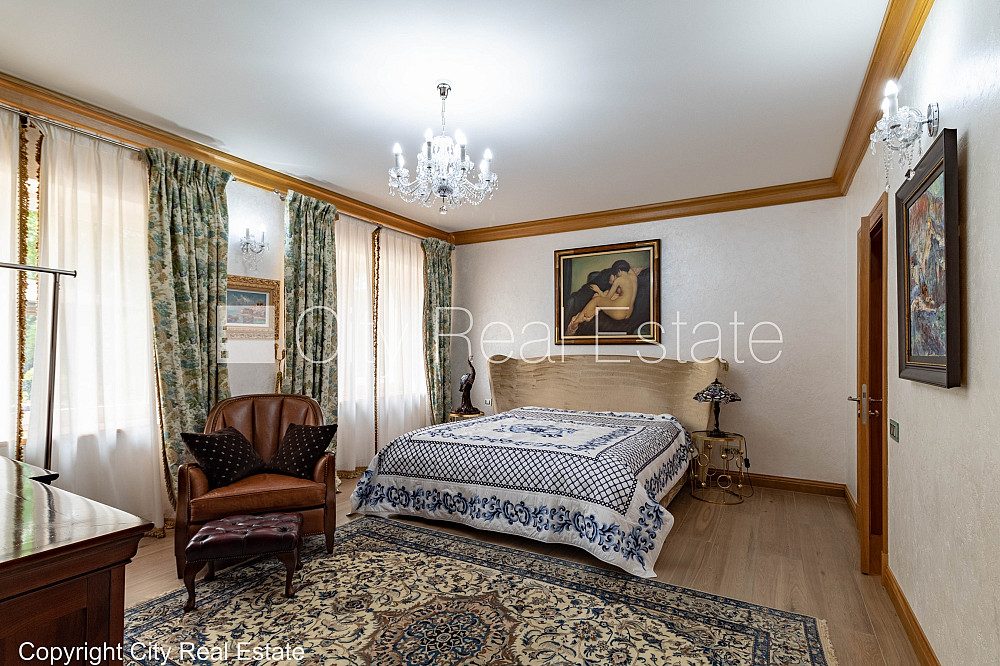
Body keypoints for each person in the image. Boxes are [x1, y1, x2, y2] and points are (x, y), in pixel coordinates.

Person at [566, 260, 639, 335]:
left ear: (619, 271)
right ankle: (586, 316)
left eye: (616, 274)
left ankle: (576, 321)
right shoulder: (634, 278)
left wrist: (598, 290)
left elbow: (607, 298)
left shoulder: (619, 279)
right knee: (597, 305)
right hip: (628, 313)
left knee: (596, 300)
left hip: (619, 312)